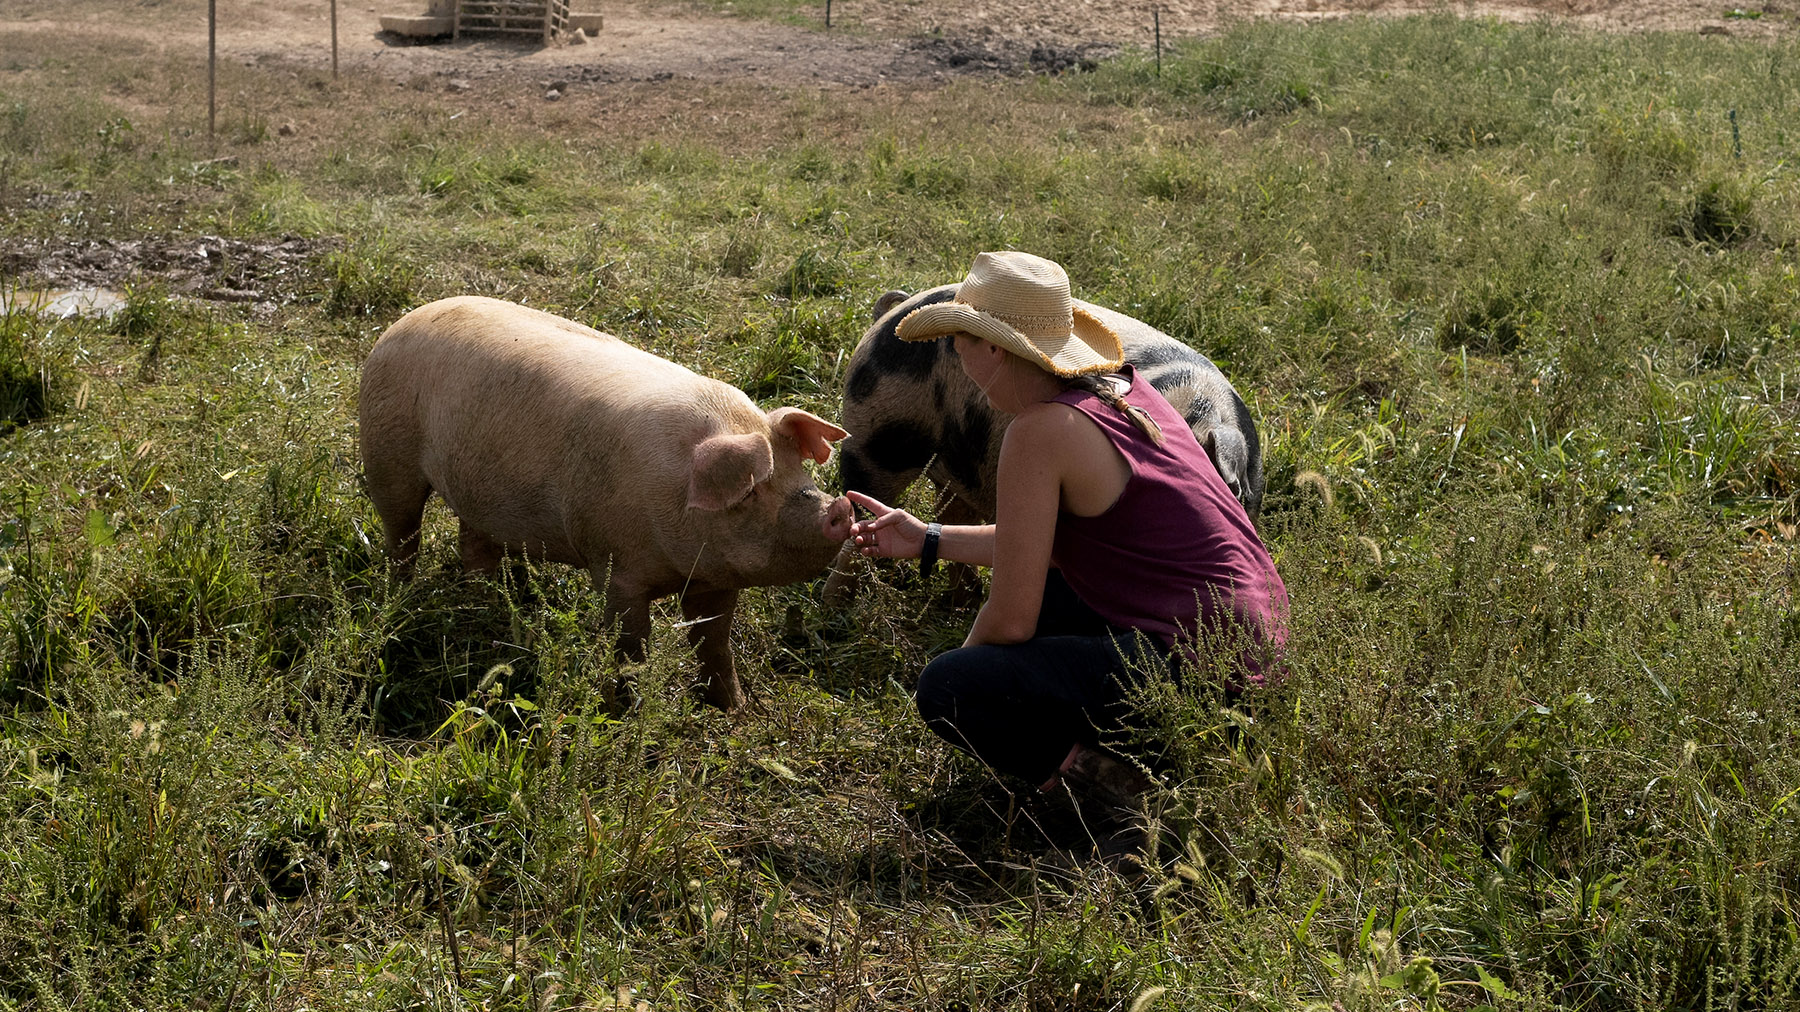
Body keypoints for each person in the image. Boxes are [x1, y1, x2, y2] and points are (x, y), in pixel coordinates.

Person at [847, 251, 1288, 821]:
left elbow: (1010, 620)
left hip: (1208, 678)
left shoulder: (1035, 433)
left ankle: (1126, 799)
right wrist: (928, 538)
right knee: (1054, 597)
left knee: (946, 687)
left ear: (995, 349)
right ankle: (1155, 752)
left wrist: (965, 690)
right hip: (1257, 663)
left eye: (959, 337)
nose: (953, 351)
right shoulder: (1127, 394)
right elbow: (1049, 545)